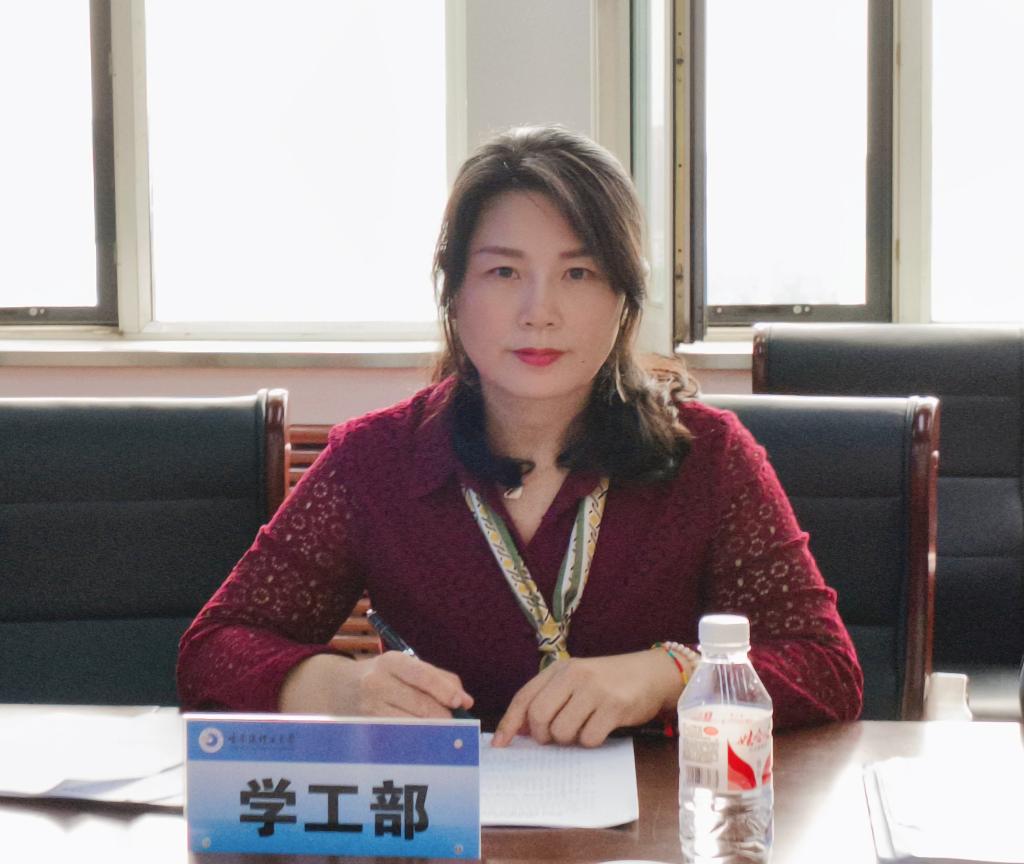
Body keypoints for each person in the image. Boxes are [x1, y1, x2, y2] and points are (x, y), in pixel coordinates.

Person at [177, 125, 863, 746]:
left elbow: (826, 667)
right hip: (444, 820)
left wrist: (666, 676)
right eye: (504, 272)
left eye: (579, 273)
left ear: (624, 299)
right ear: (454, 294)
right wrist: (340, 689)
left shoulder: (707, 456)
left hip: (656, 820)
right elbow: (213, 650)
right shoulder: (375, 461)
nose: (540, 312)